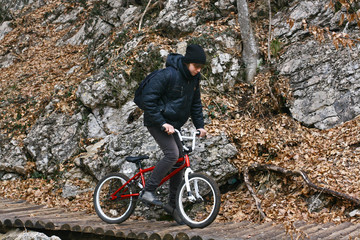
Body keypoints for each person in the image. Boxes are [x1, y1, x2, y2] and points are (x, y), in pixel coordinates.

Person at [139, 44, 207, 223]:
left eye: (201, 67)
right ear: (187, 63)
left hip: (173, 125)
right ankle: (148, 190)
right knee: (172, 154)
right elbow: (148, 100)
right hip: (156, 122)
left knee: (179, 161)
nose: (198, 70)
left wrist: (200, 126)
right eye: (196, 66)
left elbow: (195, 104)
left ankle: (173, 207)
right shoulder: (168, 74)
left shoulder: (194, 79)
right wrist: (162, 122)